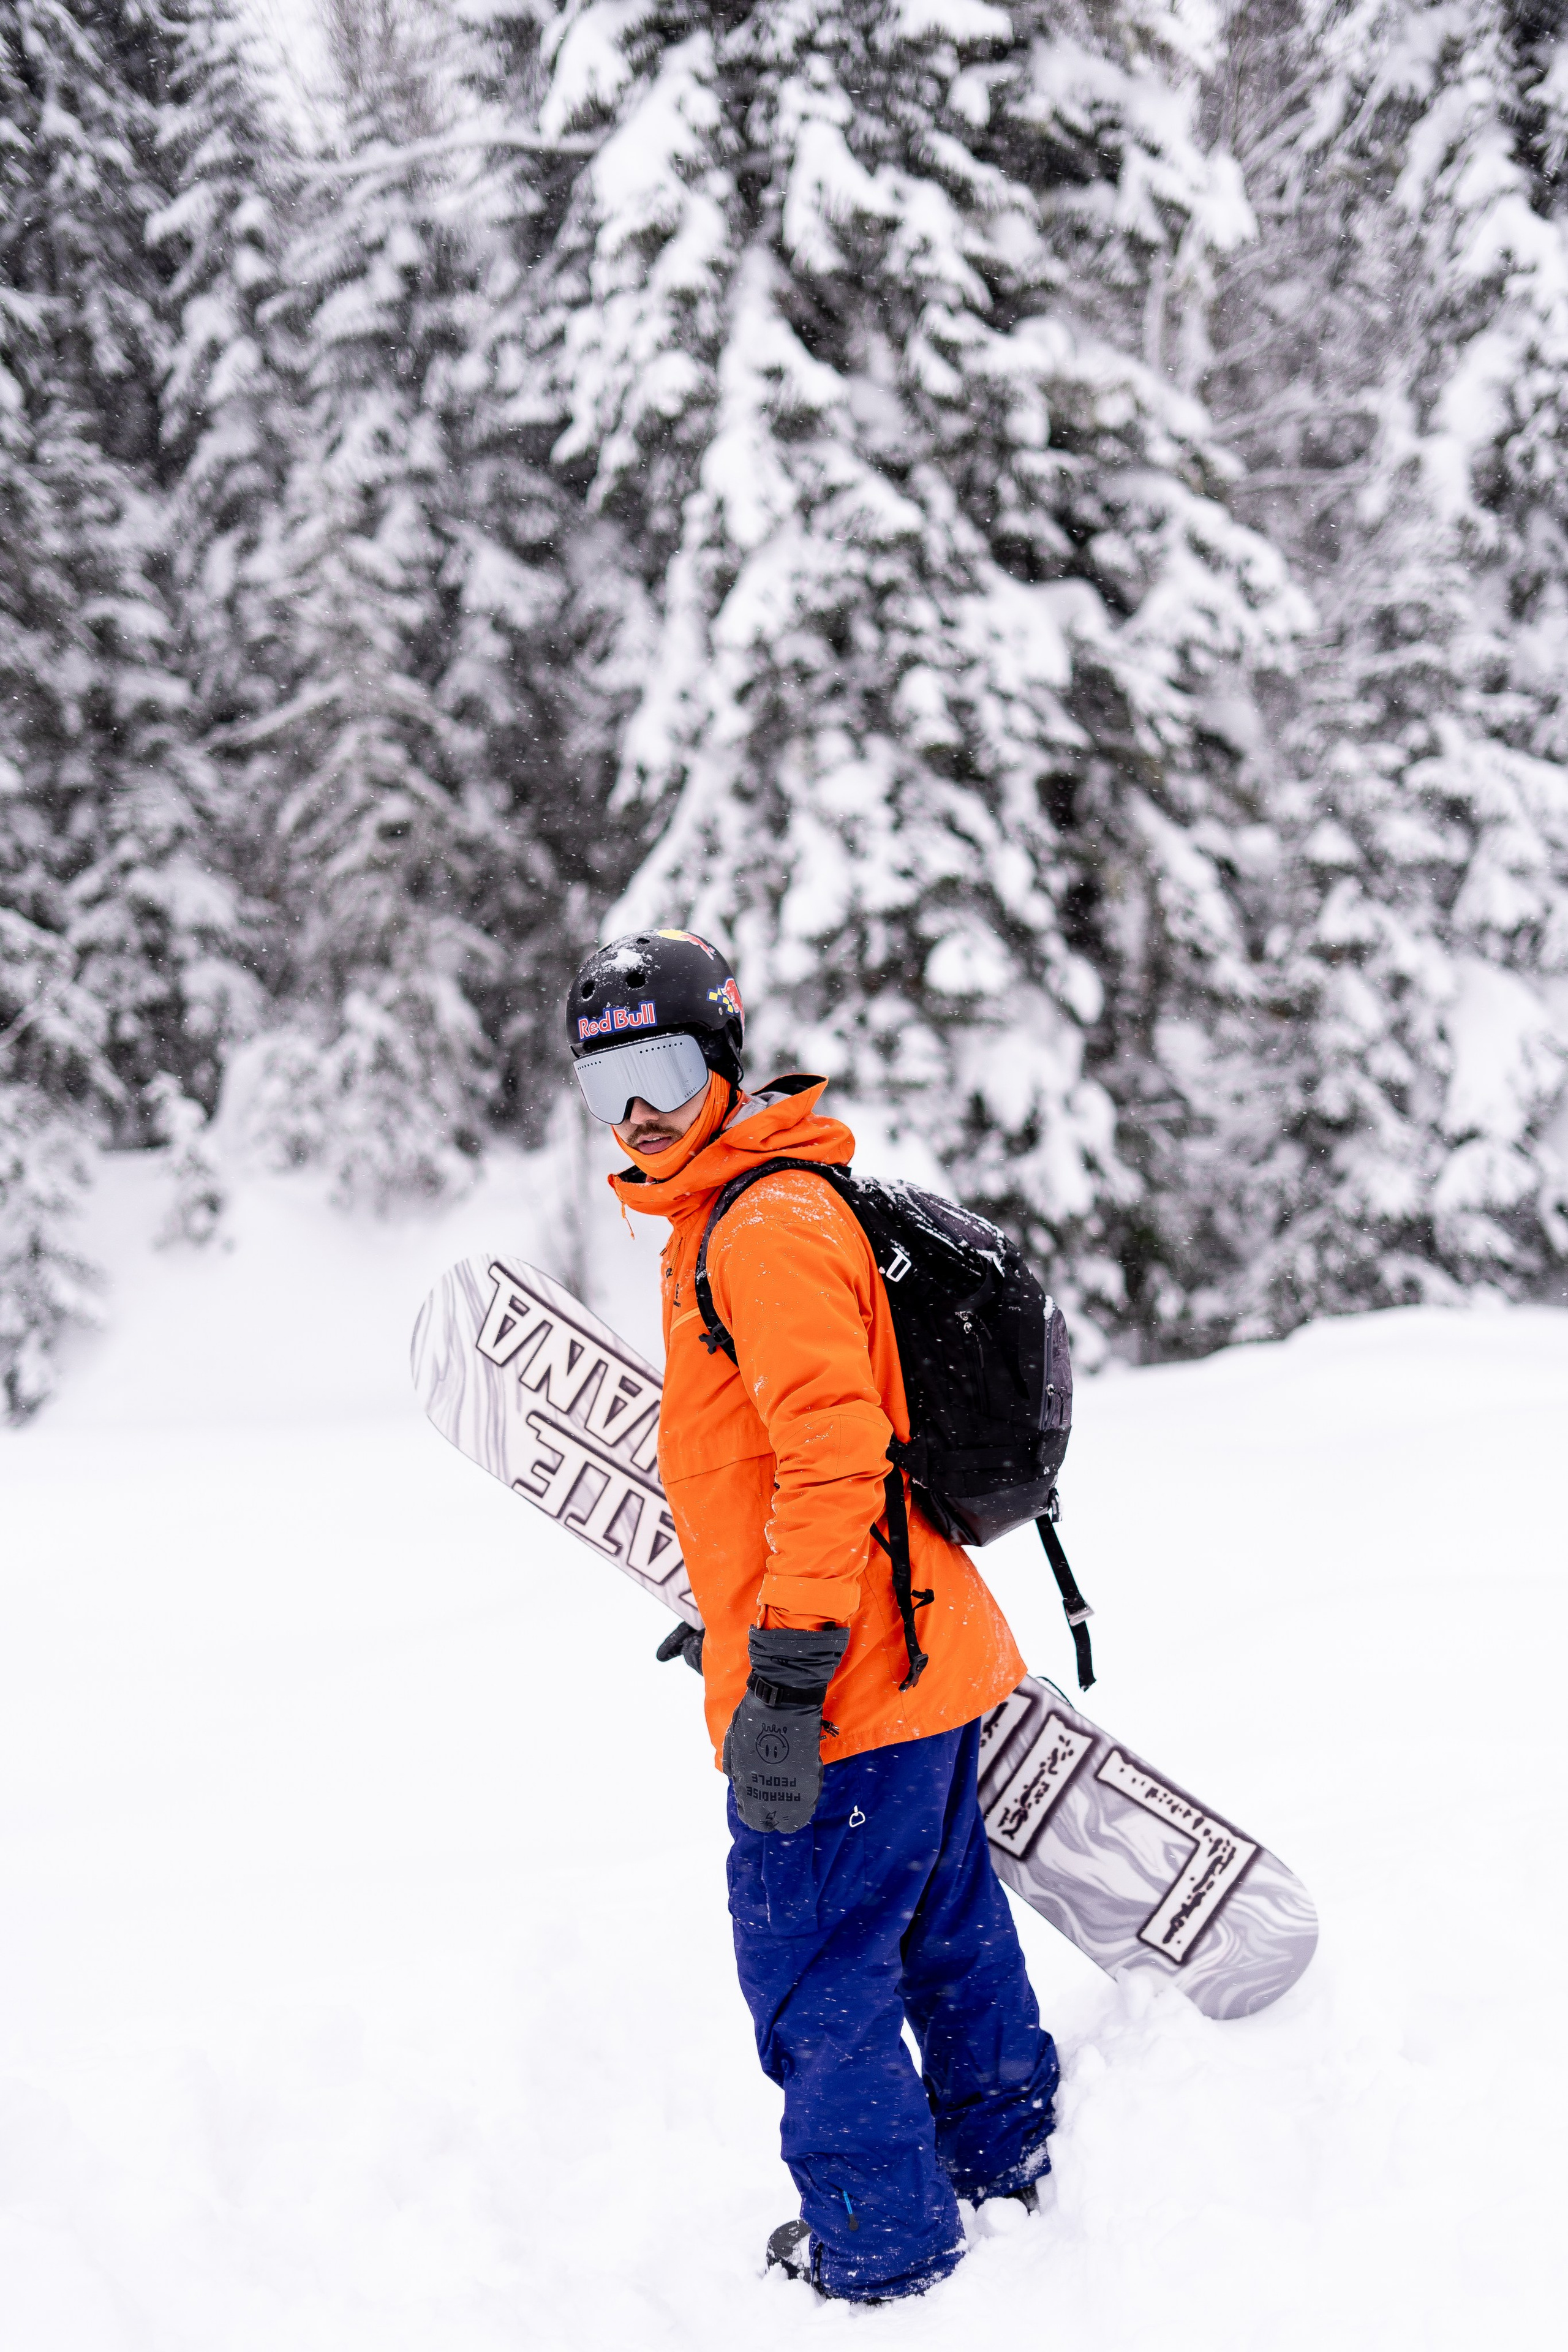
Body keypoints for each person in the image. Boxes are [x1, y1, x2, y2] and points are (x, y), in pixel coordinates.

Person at [567, 927, 1059, 2304]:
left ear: (720, 1056)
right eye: (607, 1089)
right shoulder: (745, 1207)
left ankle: (885, 2248)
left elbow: (831, 1457)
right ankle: (1007, 2167)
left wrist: (781, 1671)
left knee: (811, 1972)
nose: (640, 1113)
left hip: (842, 1684)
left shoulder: (763, 1226)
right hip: (915, 1654)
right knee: (939, 1923)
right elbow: (767, 1471)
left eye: (662, 1070)